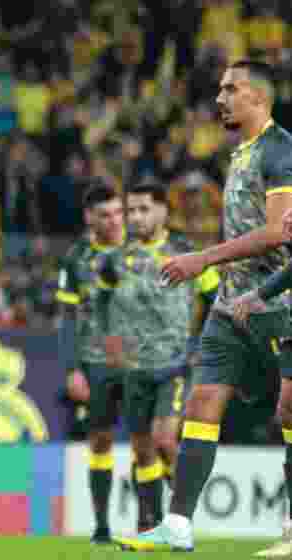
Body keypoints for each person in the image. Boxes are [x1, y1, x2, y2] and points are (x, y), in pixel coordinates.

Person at [116, 60, 292, 554]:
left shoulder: (280, 151)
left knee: (289, 413)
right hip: (230, 304)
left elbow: (281, 232)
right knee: (200, 405)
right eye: (219, 90)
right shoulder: (240, 153)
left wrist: (205, 257)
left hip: (280, 300)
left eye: (230, 90)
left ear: (258, 97)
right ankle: (178, 523)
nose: (219, 99)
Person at [97, 182, 218, 532]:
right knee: (143, 450)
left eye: (143, 209)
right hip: (135, 367)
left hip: (176, 363)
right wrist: (111, 339)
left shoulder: (186, 251)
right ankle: (149, 523)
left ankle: (182, 516)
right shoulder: (116, 258)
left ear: (163, 210)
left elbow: (214, 299)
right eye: (130, 210)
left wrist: (203, 345)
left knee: (166, 440)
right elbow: (103, 298)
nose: (135, 217)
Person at [55, 183, 126, 545]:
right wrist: (72, 368)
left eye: (118, 213)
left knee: (159, 440)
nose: (114, 221)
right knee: (100, 441)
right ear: (89, 218)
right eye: (105, 215)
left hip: (145, 360)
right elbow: (66, 318)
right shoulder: (75, 258)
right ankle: (101, 526)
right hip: (97, 364)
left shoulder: (142, 249)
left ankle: (165, 522)